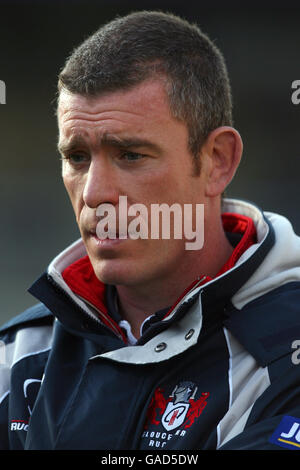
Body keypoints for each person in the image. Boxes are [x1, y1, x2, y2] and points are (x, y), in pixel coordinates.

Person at [1, 10, 300, 451]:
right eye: (78, 157)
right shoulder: (18, 354)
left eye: (131, 155)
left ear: (217, 160)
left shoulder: (285, 356)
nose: (95, 193)